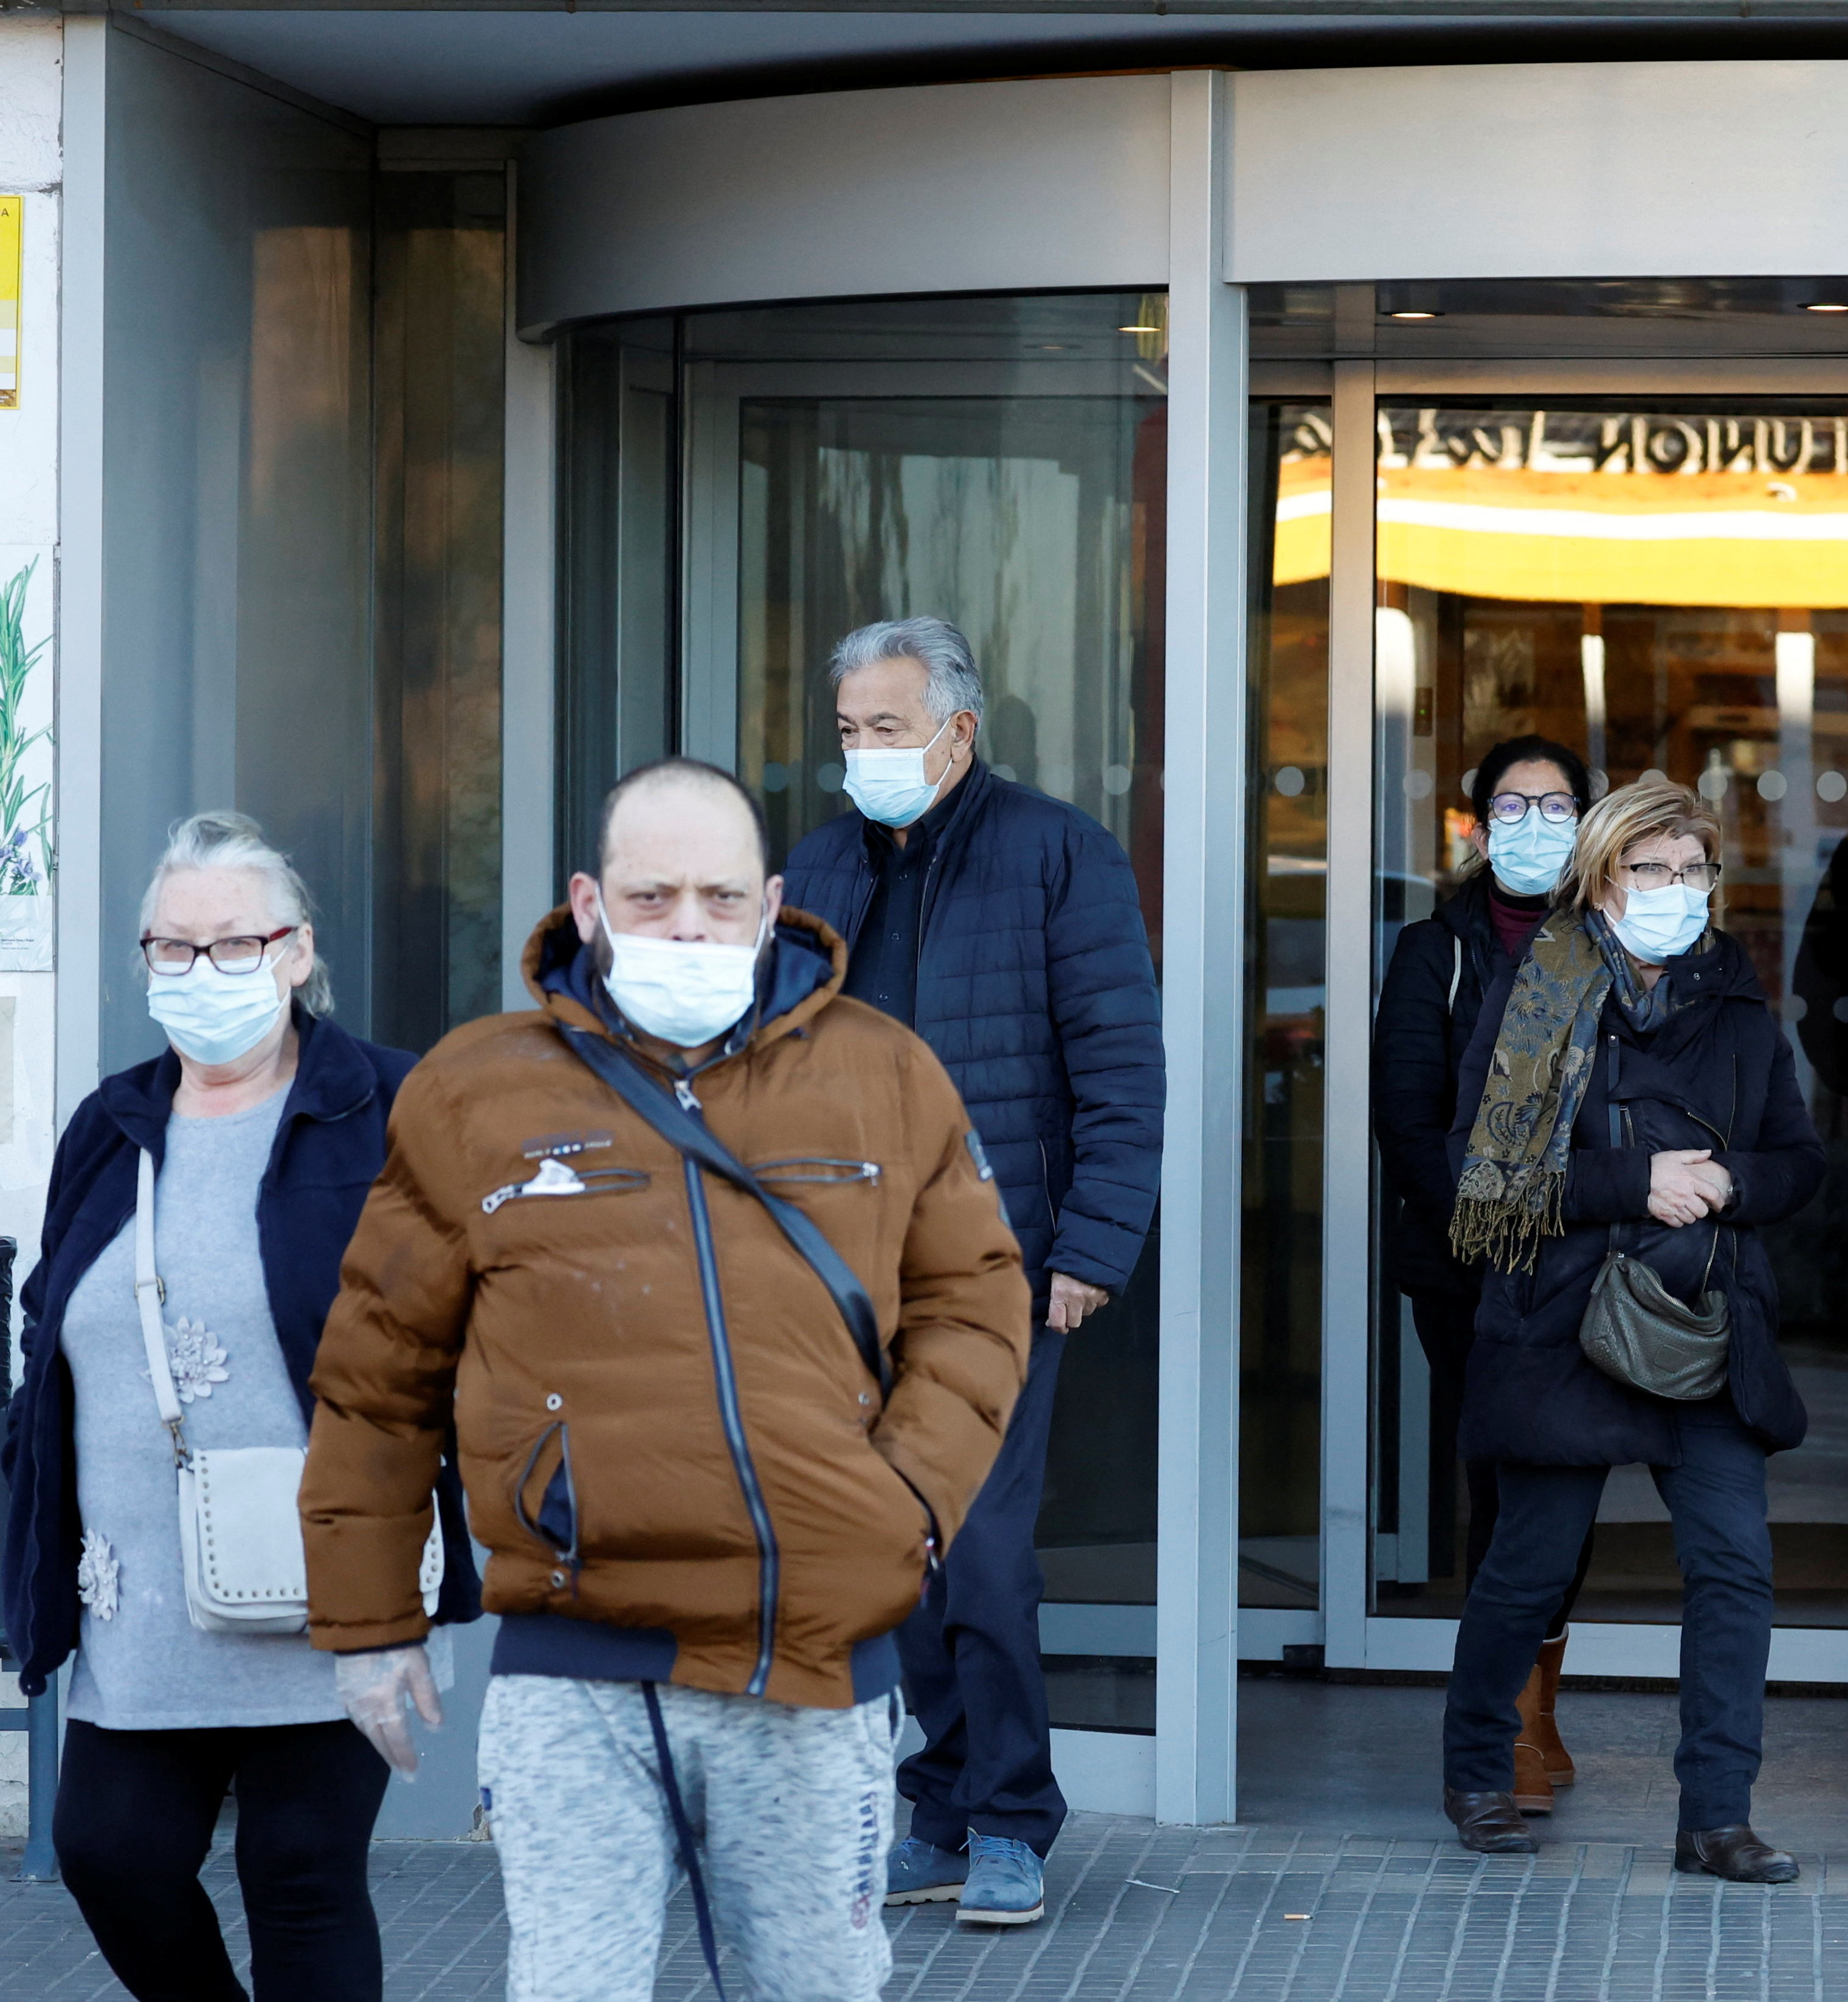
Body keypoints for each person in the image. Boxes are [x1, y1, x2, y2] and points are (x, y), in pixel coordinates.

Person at [299, 758, 1032, 2002]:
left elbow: (976, 1303)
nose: (687, 927)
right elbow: (381, 1370)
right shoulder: (476, 1090)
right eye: (651, 899)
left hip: (810, 1654)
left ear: (772, 900)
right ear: (587, 905)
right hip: (576, 1665)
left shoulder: (883, 1072)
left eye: (717, 897)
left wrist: (898, 1510)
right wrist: (370, 1624)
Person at [0, 811, 480, 2002]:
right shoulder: (109, 1127)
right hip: (138, 1601)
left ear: (297, 951)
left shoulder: (388, 1108)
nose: (201, 973)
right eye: (173, 949)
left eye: (233, 944)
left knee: (301, 1873)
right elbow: (49, 1320)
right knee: (110, 1854)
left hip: (328, 1589)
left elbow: (461, 1334)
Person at [780, 616, 1166, 1926]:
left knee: (983, 1548)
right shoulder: (822, 864)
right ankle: (940, 1807)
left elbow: (1120, 1069)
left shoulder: (1060, 855)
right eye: (848, 732)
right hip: (844, 1271)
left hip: (999, 1267)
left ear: (959, 729)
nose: (863, 755)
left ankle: (1009, 1818)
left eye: (886, 729)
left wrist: (1093, 1249)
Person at [1438, 776, 1823, 1882]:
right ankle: (1474, 1773)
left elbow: (1797, 1164)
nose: (1673, 888)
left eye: (1691, 868)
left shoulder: (1740, 1008)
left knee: (1734, 1566)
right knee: (1530, 1563)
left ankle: (1716, 1814)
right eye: (1648, 869)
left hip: (1700, 1323)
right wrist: (1632, 1180)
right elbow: (1483, 1173)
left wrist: (1725, 1183)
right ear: (1602, 881)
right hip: (1561, 1319)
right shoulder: (1536, 991)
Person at [1373, 734, 1598, 1812]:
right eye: (1512, 806)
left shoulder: (1612, 940)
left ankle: (1540, 1708)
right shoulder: (1437, 948)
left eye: (1556, 806)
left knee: (1568, 1489)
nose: (1534, 824)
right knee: (1500, 1487)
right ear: (1477, 824)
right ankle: (1501, 1722)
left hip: (1588, 1262)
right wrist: (1485, 1220)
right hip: (1467, 1266)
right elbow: (1405, 1114)